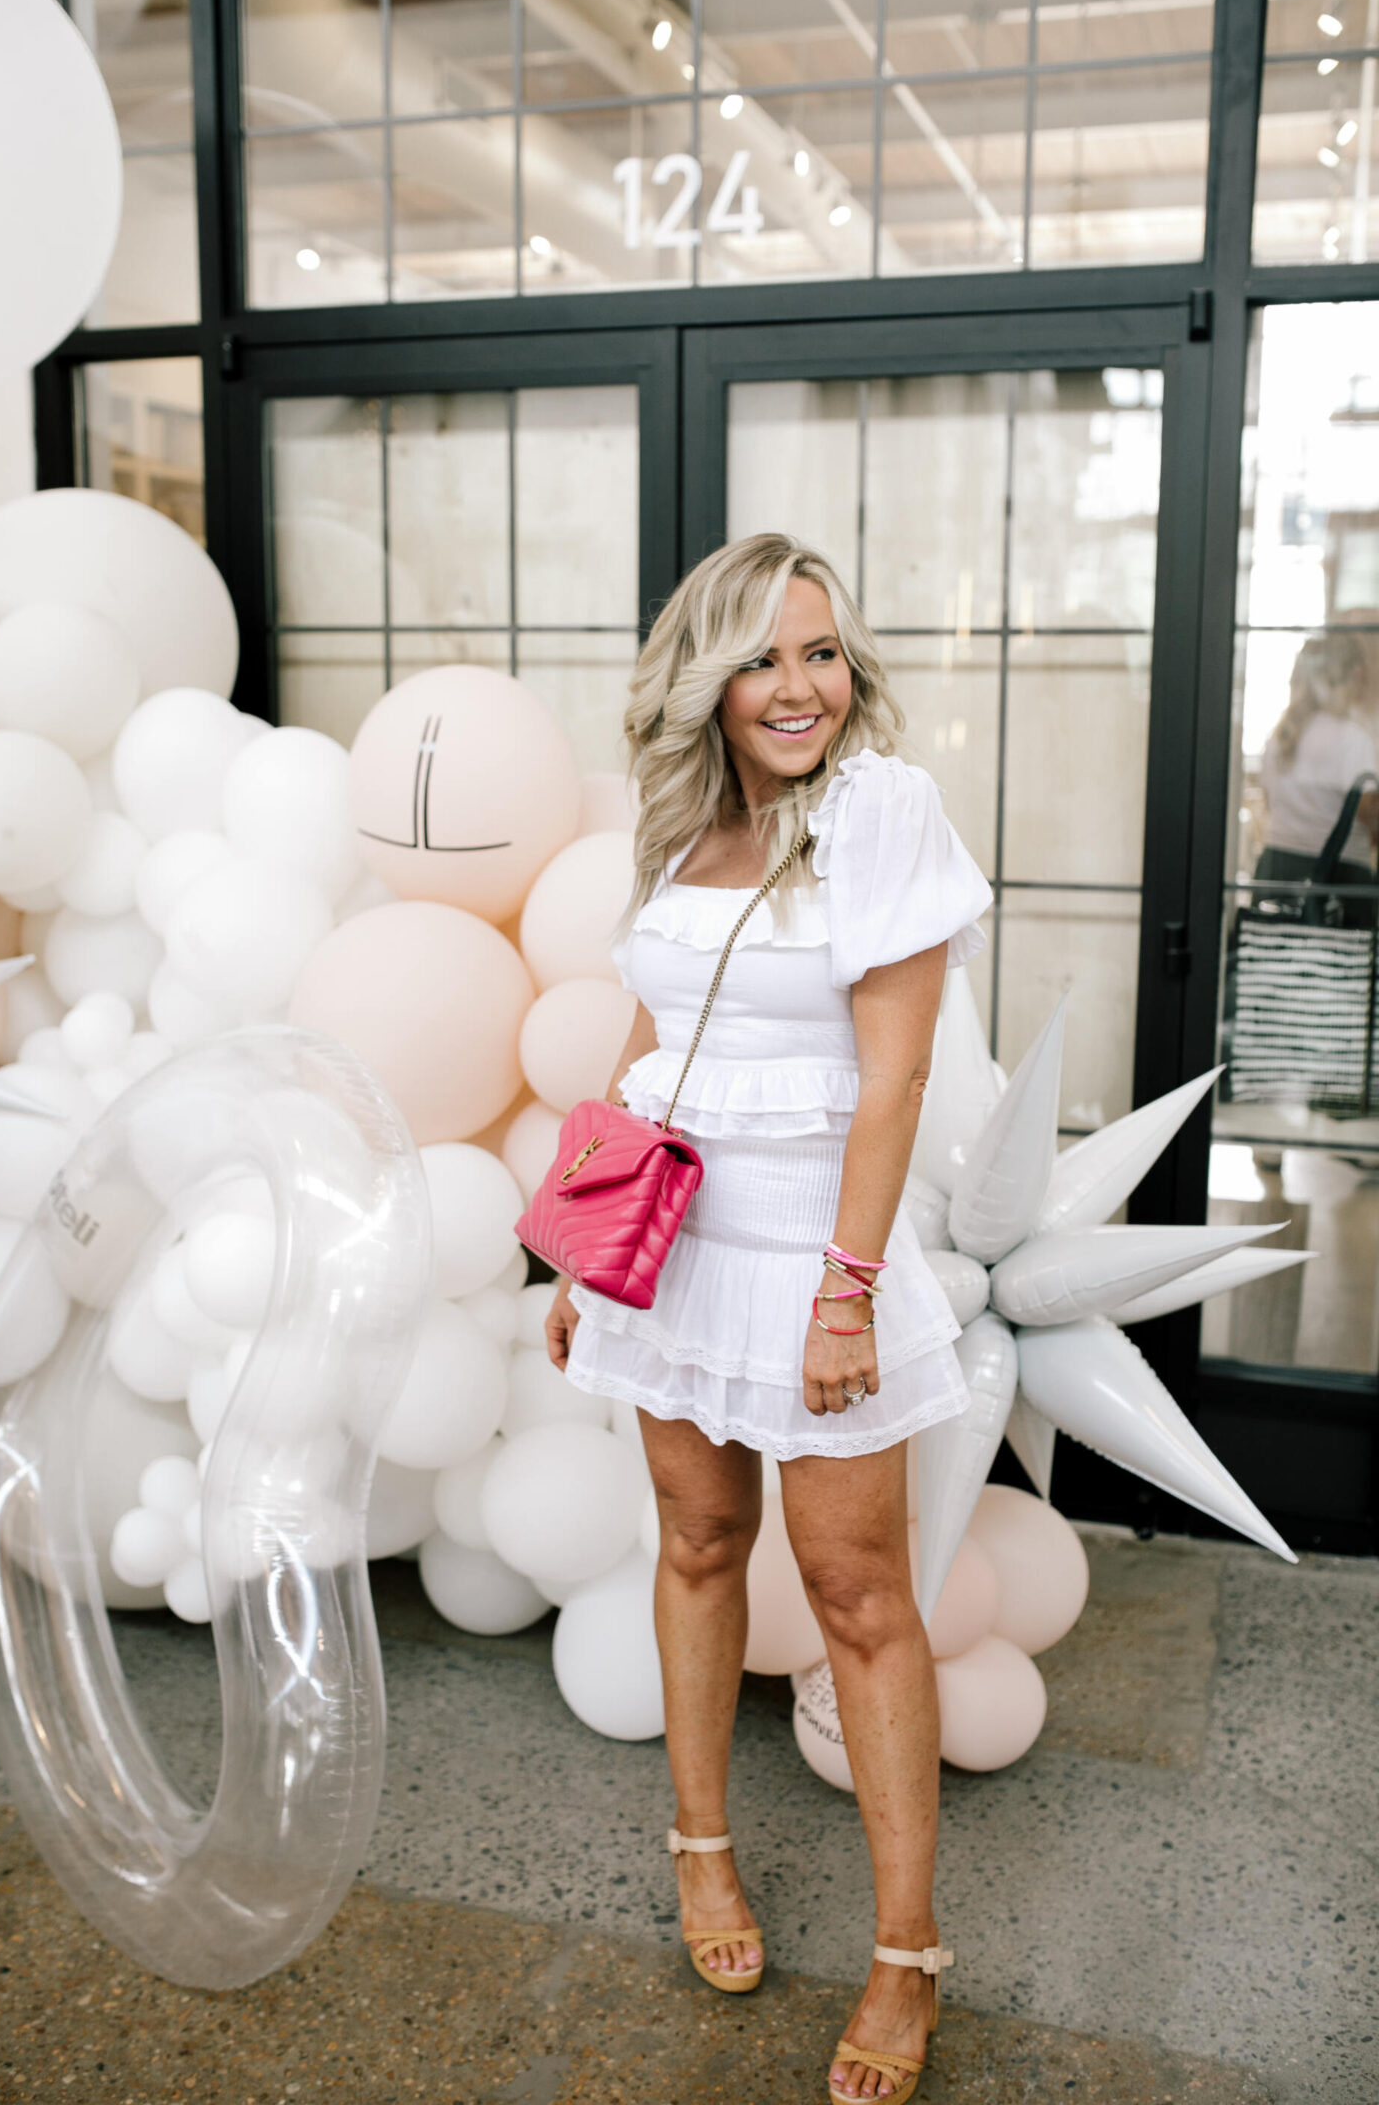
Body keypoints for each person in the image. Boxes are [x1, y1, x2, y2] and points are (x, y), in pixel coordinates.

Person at [543, 534, 993, 2105]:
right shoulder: (685, 825)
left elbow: (897, 1078)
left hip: (817, 1248)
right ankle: (705, 1857)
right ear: (709, 683)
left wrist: (847, 1290)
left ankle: (906, 1953)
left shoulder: (882, 810)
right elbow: (660, 1039)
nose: (798, 686)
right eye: (761, 658)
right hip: (675, 1251)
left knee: (862, 1596)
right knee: (694, 1544)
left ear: (849, 667)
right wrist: (587, 1251)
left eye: (820, 652)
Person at [1256, 631, 1379, 928]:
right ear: (1355, 674)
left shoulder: (1281, 737)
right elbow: (1372, 819)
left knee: (1272, 969)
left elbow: (1271, 804)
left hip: (1276, 870)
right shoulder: (1353, 740)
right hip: (1341, 881)